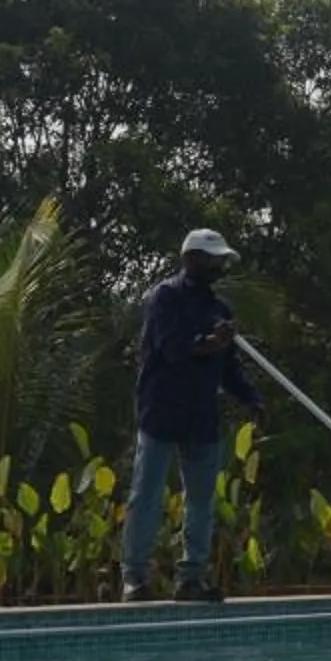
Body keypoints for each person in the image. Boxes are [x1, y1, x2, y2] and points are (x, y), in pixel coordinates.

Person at [121, 227, 264, 602]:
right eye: (213, 260)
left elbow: (229, 367)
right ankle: (135, 577)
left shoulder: (220, 310)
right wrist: (209, 342)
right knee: (147, 496)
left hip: (202, 417)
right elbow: (171, 348)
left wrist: (251, 399)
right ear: (191, 259)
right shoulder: (164, 298)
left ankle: (192, 578)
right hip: (161, 412)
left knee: (201, 502)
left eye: (222, 261)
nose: (219, 267)